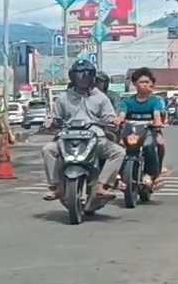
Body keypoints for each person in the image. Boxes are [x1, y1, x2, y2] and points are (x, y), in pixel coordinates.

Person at [42, 59, 125, 204]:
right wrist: (51, 123)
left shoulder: (100, 97)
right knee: (47, 149)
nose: (82, 78)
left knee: (119, 152)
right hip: (66, 139)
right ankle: (56, 186)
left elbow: (109, 116)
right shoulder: (63, 98)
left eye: (86, 75)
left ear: (92, 77)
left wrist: (113, 121)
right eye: (78, 75)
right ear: (72, 77)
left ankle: (102, 185)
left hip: (95, 139)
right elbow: (55, 118)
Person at [116, 67, 168, 186]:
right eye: (141, 82)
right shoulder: (127, 101)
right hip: (131, 131)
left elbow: (157, 115)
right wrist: (118, 120)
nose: (144, 85)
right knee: (119, 148)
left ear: (151, 84)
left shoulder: (156, 101)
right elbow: (122, 114)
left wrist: (157, 122)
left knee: (153, 145)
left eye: (147, 82)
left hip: (150, 130)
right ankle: (118, 174)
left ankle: (153, 174)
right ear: (134, 84)